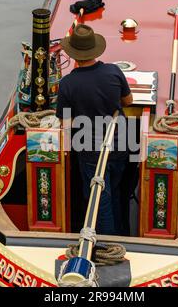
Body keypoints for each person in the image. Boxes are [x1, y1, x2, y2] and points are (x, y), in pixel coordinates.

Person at [56, 24, 133, 236]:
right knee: (115, 191)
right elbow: (128, 100)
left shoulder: (68, 83)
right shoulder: (113, 71)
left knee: (99, 197)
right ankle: (121, 232)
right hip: (121, 143)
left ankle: (107, 241)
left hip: (89, 148)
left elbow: (65, 121)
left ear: (74, 55)